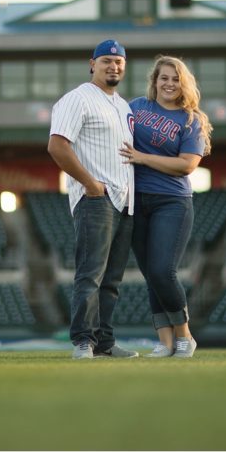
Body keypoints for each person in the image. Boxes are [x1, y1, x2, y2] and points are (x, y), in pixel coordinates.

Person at [48, 39, 139, 360]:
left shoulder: (124, 106)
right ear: (92, 64)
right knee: (91, 275)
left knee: (111, 281)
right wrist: (89, 183)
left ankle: (104, 343)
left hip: (126, 201)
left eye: (118, 62)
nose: (113, 66)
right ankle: (83, 342)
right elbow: (57, 146)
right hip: (96, 198)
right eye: (106, 61)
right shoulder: (78, 99)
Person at [121, 55, 212, 358]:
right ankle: (165, 343)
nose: (169, 83)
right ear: (154, 81)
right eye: (164, 78)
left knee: (163, 270)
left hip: (171, 202)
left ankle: (185, 336)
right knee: (151, 274)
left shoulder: (191, 120)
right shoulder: (136, 107)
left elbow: (187, 165)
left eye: (175, 79)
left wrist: (142, 158)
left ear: (183, 83)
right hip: (135, 200)